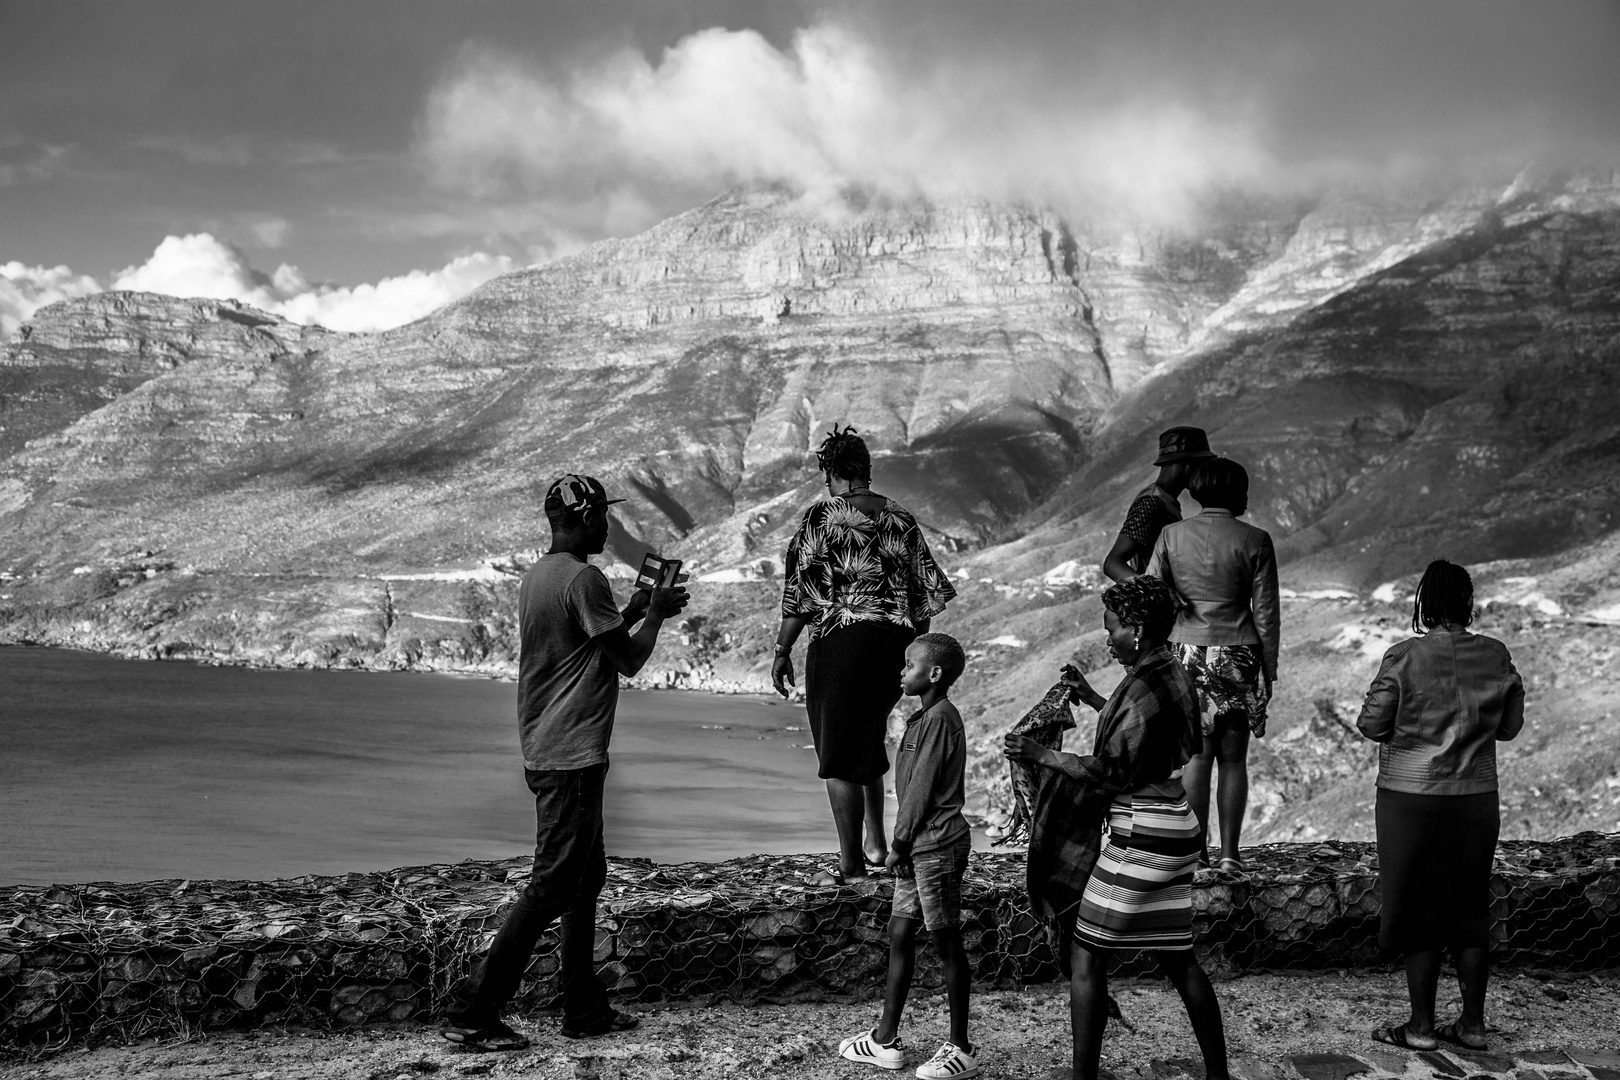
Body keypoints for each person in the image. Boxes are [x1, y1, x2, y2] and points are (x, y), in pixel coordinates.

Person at [441, 474, 690, 1052]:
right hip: (571, 754)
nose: (609, 526)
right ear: (581, 520)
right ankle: (473, 1012)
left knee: (584, 880)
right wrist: (654, 613)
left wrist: (631, 607)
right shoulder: (583, 577)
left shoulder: (542, 575)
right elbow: (626, 660)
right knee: (554, 884)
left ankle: (582, 1006)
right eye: (603, 517)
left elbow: (588, 641)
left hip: (550, 747)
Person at [1004, 576, 1229, 1080]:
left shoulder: (1145, 682)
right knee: (1180, 959)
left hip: (1140, 834)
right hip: (1177, 826)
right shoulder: (1170, 672)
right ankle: (1219, 1077)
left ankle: (1083, 1078)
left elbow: (1113, 769)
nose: (1109, 639)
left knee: (1086, 956)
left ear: (1138, 628)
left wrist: (1044, 755)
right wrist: (1092, 699)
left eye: (1114, 629)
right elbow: (1151, 741)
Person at [772, 426, 957, 886]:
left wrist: (781, 650)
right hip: (895, 647)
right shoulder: (902, 518)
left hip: (842, 642)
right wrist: (910, 651)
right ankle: (876, 844)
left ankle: (851, 865)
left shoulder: (822, 518)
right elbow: (925, 597)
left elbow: (802, 596)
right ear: (867, 471)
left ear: (830, 472)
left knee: (837, 753)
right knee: (868, 738)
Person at [1358, 559, 1524, 1053]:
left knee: (1416, 910)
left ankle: (1421, 1029)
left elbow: (1371, 724)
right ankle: (1472, 1026)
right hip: (1475, 797)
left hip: (1411, 800)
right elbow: (1510, 727)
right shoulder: (1496, 655)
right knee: (1471, 909)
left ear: (1425, 606)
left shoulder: (1405, 657)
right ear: (1469, 605)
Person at [839, 633, 980, 1079]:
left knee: (946, 941)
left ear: (934, 674)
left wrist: (897, 845)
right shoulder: (925, 718)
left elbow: (918, 792)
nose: (901, 672)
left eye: (908, 665)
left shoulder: (939, 720)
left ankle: (962, 1047)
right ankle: (884, 1041)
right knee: (901, 934)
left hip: (934, 845)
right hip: (919, 846)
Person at [1147, 457, 1280, 872]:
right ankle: (1231, 855)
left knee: (1196, 759)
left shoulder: (1171, 535)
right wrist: (1268, 668)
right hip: (1239, 652)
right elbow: (1268, 614)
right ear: (1237, 492)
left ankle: (1196, 853)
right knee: (1234, 759)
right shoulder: (1256, 539)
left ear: (1197, 491)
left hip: (1185, 653)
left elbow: (1151, 592)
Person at [1100, 426, 1216, 584]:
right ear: (1188, 465)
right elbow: (1112, 564)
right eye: (1201, 465)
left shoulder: (1166, 500)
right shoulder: (1152, 503)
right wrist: (1156, 593)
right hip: (1156, 604)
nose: (1203, 473)